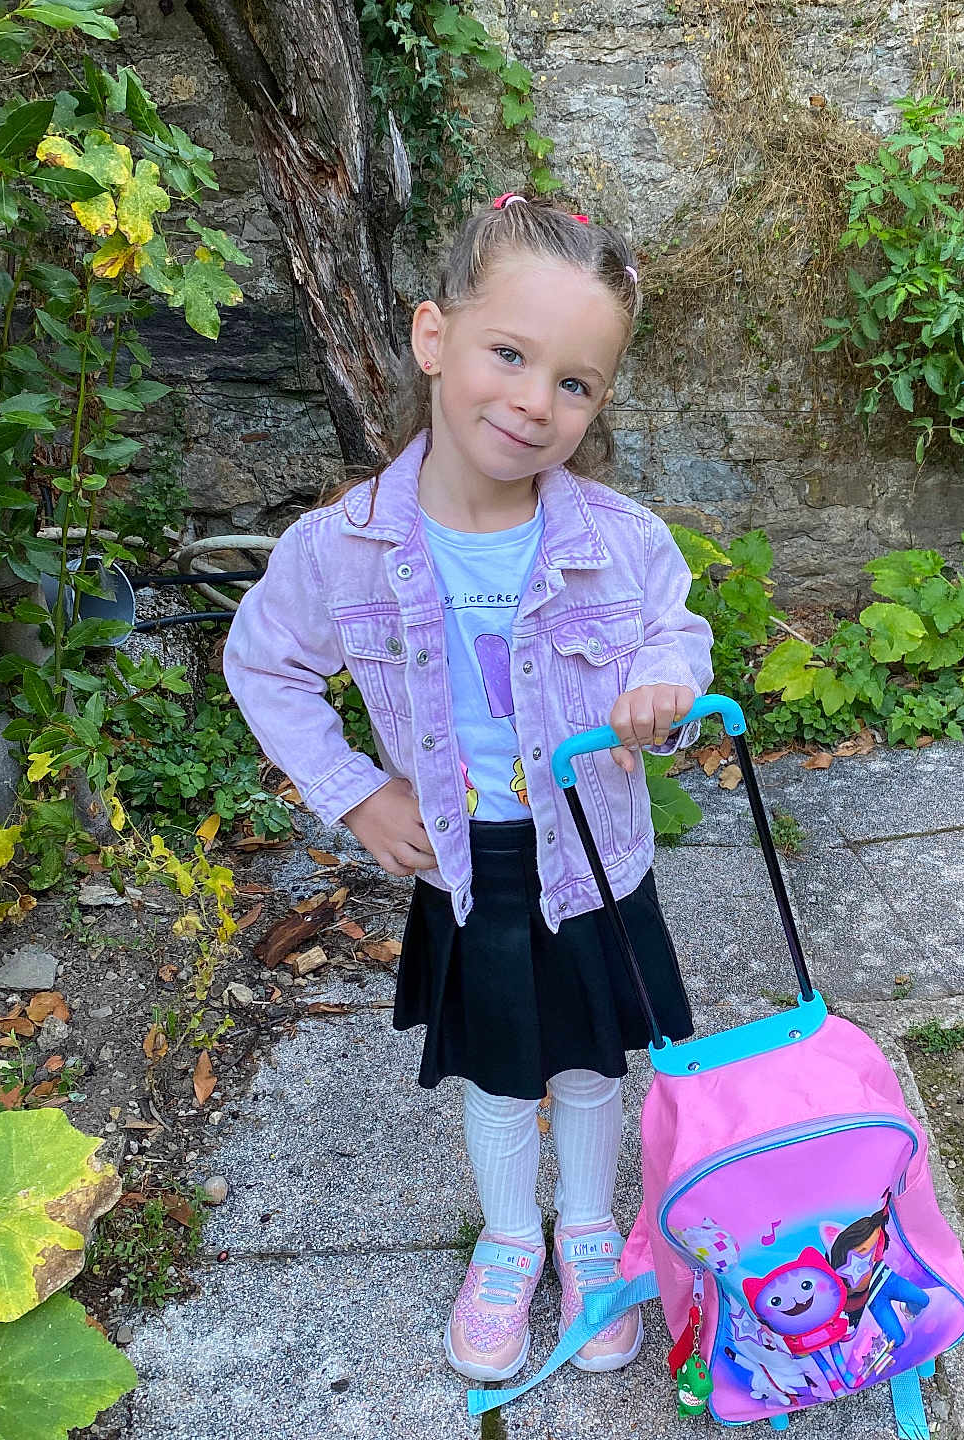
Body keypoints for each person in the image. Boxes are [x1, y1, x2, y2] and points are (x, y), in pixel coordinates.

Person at [224, 192, 714, 1384]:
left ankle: (586, 1231)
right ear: (434, 337)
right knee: (501, 1063)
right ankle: (508, 1239)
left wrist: (664, 682)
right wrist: (353, 792)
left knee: (590, 1058)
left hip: (592, 852)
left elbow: (673, 627)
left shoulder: (620, 538)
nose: (535, 401)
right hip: (470, 857)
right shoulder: (344, 546)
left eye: (575, 383)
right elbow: (265, 662)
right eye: (510, 354)